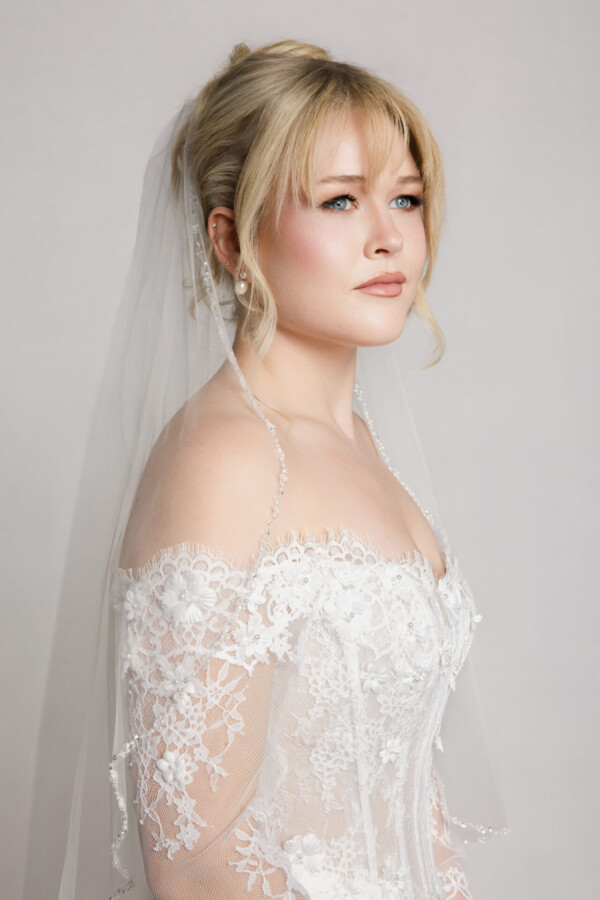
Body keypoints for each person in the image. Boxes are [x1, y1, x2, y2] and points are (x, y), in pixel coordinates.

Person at [32, 39, 505, 900]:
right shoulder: (223, 460)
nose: (389, 236)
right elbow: (195, 858)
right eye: (339, 201)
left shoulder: (364, 443)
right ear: (233, 239)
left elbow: (402, 795)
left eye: (406, 197)